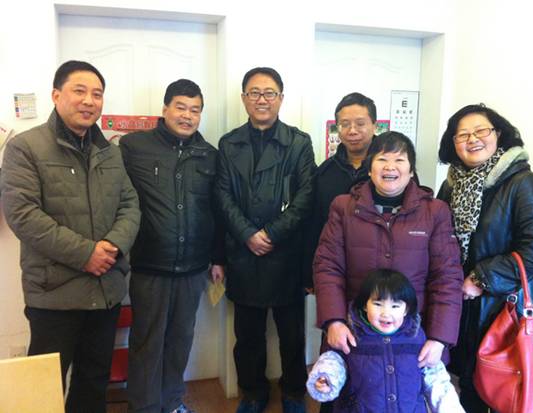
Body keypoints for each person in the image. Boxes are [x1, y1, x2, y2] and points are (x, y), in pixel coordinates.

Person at [0, 60, 140, 413]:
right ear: (56, 95)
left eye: (97, 94)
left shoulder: (110, 151)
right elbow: (23, 215)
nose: (89, 101)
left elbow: (130, 204)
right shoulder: (26, 147)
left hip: (105, 290)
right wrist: (85, 254)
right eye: (80, 91)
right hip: (54, 295)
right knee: (43, 388)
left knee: (93, 381)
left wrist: (113, 246)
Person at [436, 103, 533, 413]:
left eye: (481, 131)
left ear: (498, 134)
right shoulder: (450, 187)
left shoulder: (523, 182)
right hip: (464, 312)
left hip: (507, 312)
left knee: (506, 397)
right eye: (462, 135)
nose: (472, 139)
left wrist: (481, 278)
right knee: (469, 393)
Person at [314, 131, 463, 368]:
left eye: (399, 160)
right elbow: (327, 267)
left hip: (415, 336)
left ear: (411, 170)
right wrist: (334, 320)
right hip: (354, 332)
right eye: (382, 159)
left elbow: (447, 277)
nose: (390, 167)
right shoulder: (343, 207)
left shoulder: (435, 211)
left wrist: (439, 338)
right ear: (370, 168)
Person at [119, 79, 224, 413]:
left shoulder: (209, 155)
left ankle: (172, 402)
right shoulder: (133, 147)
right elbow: (118, 200)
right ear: (165, 109)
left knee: (180, 342)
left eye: (195, 110)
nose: (187, 116)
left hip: (193, 269)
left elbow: (216, 210)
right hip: (150, 266)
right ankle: (144, 407)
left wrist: (217, 258)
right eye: (181, 107)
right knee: (147, 344)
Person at [215, 67, 316, 413]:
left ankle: (293, 392)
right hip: (244, 255)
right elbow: (222, 195)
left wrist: (271, 233)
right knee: (248, 336)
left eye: (269, 92)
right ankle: (253, 393)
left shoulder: (299, 142)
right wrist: (247, 234)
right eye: (254, 92)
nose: (262, 99)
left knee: (292, 335)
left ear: (281, 98)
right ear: (244, 98)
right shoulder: (228, 143)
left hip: (285, 255)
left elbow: (306, 196)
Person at [307, 269, 464, 413]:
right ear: (365, 305)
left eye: (395, 306)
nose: (386, 313)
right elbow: (334, 360)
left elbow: (436, 379)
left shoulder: (417, 337)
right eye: (377, 304)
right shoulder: (351, 334)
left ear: (406, 310)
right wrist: (327, 378)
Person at [304, 92, 377, 290]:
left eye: (360, 123)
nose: (352, 131)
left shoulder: (392, 170)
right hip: (334, 272)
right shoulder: (325, 172)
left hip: (380, 276)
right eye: (345, 124)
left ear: (374, 125)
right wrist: (309, 275)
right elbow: (315, 225)